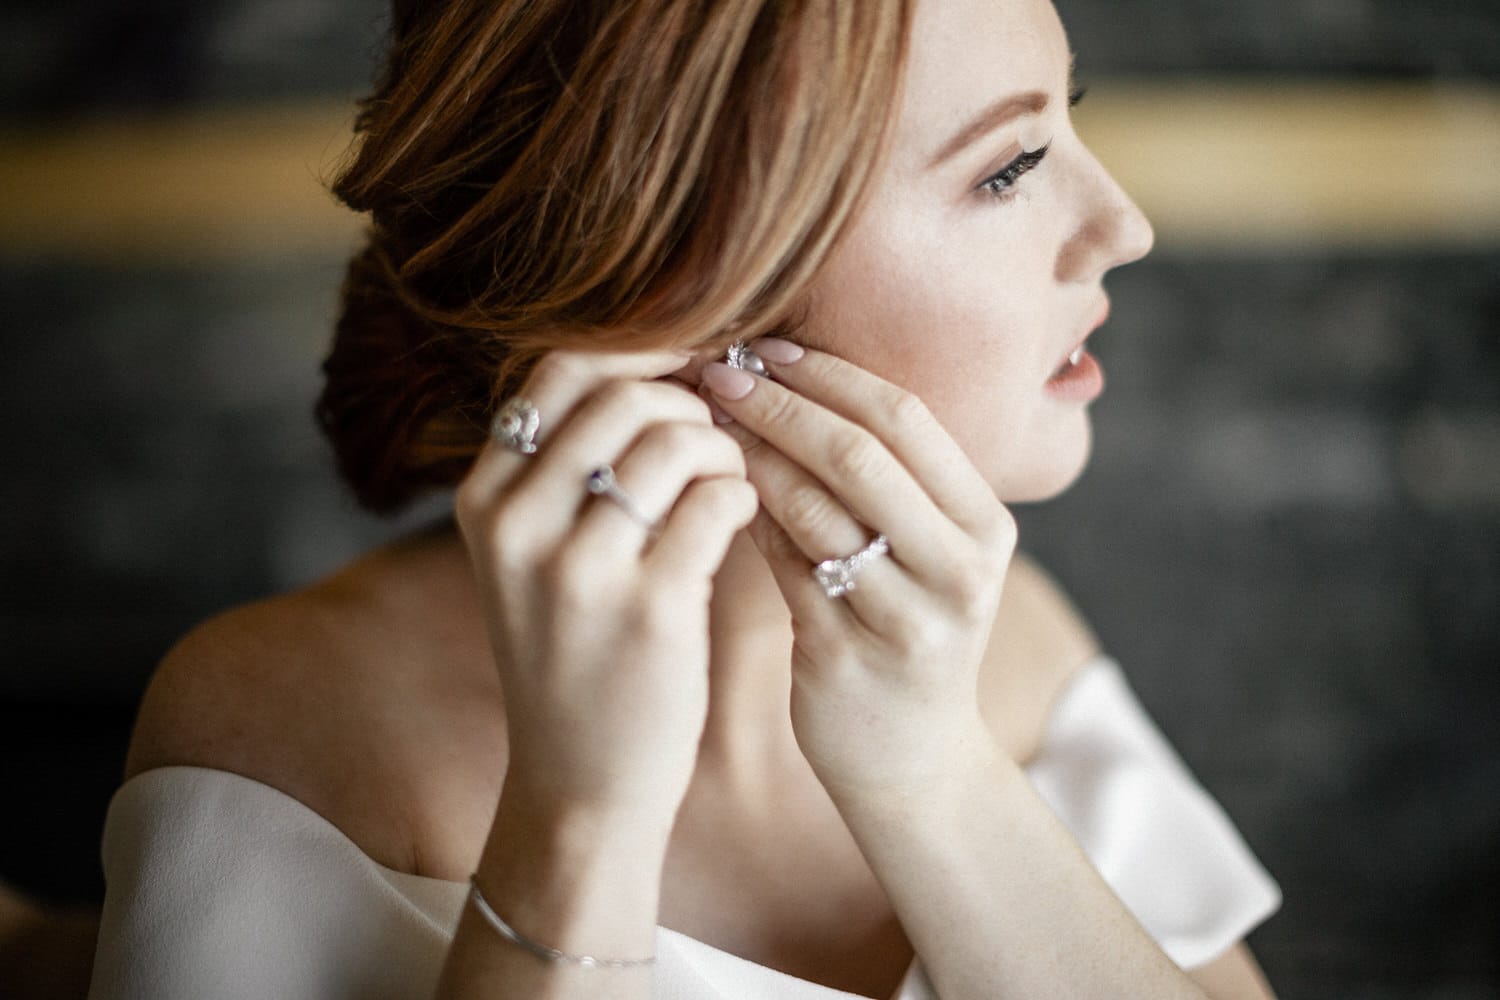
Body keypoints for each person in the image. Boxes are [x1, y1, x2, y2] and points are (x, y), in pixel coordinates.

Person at [88, 0, 1282, 997]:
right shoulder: (282, 736)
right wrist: (577, 815)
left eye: (1066, 119)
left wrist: (931, 772)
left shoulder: (1007, 643)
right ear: (678, 296)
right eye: (1009, 169)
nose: (1124, 226)